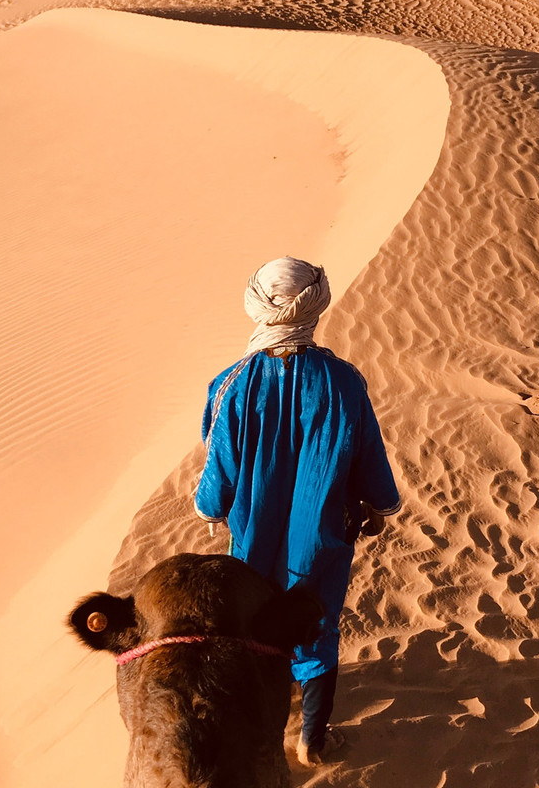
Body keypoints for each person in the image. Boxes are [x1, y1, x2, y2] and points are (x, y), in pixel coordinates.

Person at [194, 256, 401, 766]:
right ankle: (312, 737)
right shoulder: (344, 381)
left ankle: (260, 735)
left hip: (252, 538)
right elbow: (367, 456)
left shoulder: (231, 384)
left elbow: (218, 474)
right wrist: (379, 506)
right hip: (322, 535)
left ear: (257, 307)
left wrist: (211, 508)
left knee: (252, 627)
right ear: (315, 305)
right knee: (315, 624)